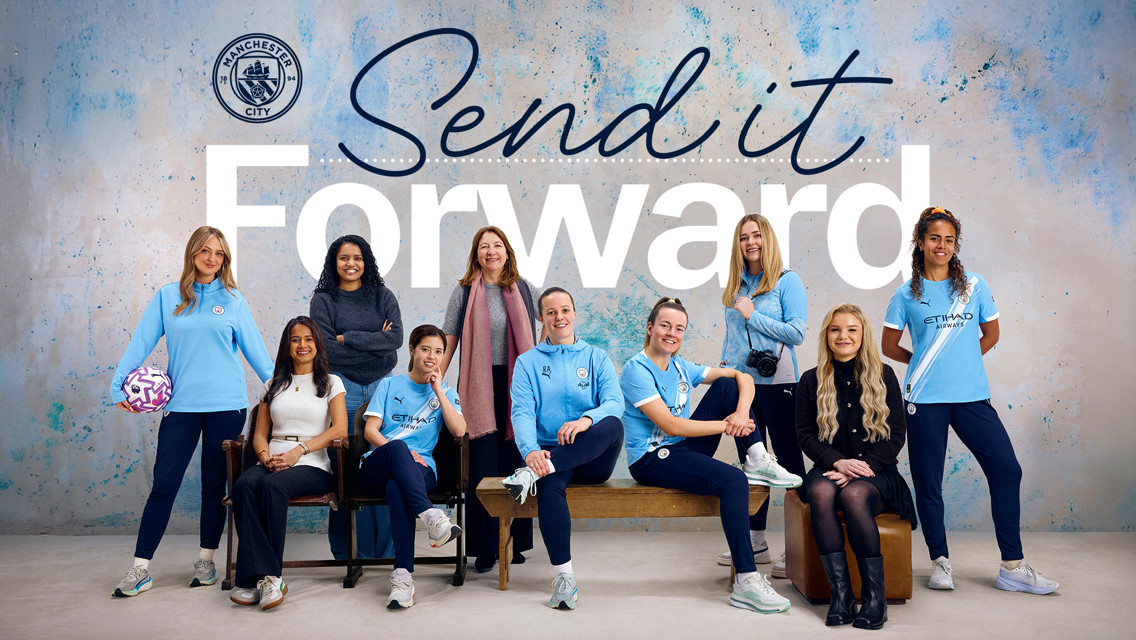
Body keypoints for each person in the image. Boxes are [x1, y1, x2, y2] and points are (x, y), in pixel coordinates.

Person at [881, 206, 1059, 595]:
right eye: (934, 239)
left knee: (1007, 470)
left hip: (972, 398)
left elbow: (991, 334)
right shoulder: (905, 294)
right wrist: (924, 364)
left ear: (955, 245)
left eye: (948, 240)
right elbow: (889, 345)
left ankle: (1012, 566)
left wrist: (958, 363)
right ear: (921, 243)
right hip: (924, 400)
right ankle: (939, 561)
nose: (941, 246)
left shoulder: (974, 286)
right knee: (929, 483)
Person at [108, 226, 273, 597]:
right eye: (205, 251)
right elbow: (140, 343)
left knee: (215, 487)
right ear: (192, 254)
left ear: (224, 259)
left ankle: (206, 560)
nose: (211, 258)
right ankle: (140, 569)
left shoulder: (233, 299)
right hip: (180, 407)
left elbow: (258, 355)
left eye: (219, 253)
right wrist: (117, 384)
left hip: (227, 408)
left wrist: (286, 390)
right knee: (164, 484)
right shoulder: (168, 297)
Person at [620, 297, 793, 614]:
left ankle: (756, 457)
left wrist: (741, 413)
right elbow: (669, 424)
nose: (672, 333)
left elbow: (744, 378)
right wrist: (728, 426)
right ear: (650, 328)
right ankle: (746, 580)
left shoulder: (680, 366)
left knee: (728, 385)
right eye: (665, 326)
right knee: (733, 481)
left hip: (682, 447)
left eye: (679, 328)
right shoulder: (636, 370)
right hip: (651, 458)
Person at [501, 287, 625, 610]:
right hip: (547, 455)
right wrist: (530, 451)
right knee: (549, 484)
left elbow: (614, 402)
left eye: (565, 310)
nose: (559, 317)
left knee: (613, 424)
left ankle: (535, 472)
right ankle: (565, 579)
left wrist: (586, 420)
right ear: (541, 318)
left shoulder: (596, 357)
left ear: (575, 313)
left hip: (592, 458)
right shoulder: (527, 363)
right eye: (551, 312)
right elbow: (522, 411)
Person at [796, 304, 916, 630]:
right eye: (836, 329)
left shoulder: (885, 375)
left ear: (863, 335)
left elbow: (896, 436)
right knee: (820, 491)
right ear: (827, 336)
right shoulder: (810, 380)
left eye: (852, 329)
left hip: (876, 473)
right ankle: (842, 596)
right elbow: (805, 436)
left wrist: (858, 466)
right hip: (829, 468)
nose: (843, 336)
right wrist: (837, 462)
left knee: (852, 497)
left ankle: (874, 598)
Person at [229, 317, 348, 610]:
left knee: (272, 487)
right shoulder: (272, 385)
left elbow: (340, 429)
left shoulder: (332, 383)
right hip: (274, 458)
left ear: (317, 345)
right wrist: (265, 457)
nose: (302, 345)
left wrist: (299, 451)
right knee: (244, 484)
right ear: (287, 346)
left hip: (313, 463)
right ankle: (255, 578)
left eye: (308, 339)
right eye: (296, 339)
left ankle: (269, 576)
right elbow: (260, 433)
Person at [440, 226, 538, 573]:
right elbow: (450, 338)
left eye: (497, 245)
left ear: (507, 251)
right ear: (476, 254)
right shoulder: (464, 291)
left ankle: (517, 542)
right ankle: (483, 547)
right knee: (482, 467)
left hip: (518, 382)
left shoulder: (524, 289)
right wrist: (436, 376)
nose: (491, 251)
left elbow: (556, 318)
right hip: (478, 384)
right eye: (484, 246)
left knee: (516, 462)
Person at [718, 213, 808, 576]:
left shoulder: (788, 281)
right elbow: (732, 335)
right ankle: (757, 542)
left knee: (787, 466)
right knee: (753, 467)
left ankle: (799, 547)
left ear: (767, 240)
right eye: (743, 237)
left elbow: (798, 333)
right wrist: (724, 367)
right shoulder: (736, 283)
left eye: (756, 236)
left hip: (780, 385)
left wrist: (754, 315)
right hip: (744, 388)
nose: (750, 242)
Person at [359, 325, 465, 608]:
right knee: (399, 449)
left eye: (439, 352)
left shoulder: (446, 392)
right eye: (426, 349)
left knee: (398, 487)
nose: (432, 356)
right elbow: (371, 431)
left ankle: (402, 576)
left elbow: (459, 430)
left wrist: (439, 392)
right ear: (412, 350)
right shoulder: (390, 385)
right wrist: (401, 452)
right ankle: (432, 517)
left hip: (420, 472)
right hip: (377, 465)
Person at [310, 234, 402, 560]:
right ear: (334, 262)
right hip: (342, 388)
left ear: (367, 262)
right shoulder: (323, 300)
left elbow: (395, 340)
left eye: (358, 258)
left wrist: (347, 337)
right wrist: (373, 341)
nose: (351, 264)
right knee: (346, 469)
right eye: (344, 258)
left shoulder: (382, 295)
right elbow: (325, 350)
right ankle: (350, 553)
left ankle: (389, 552)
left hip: (383, 388)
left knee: (387, 464)